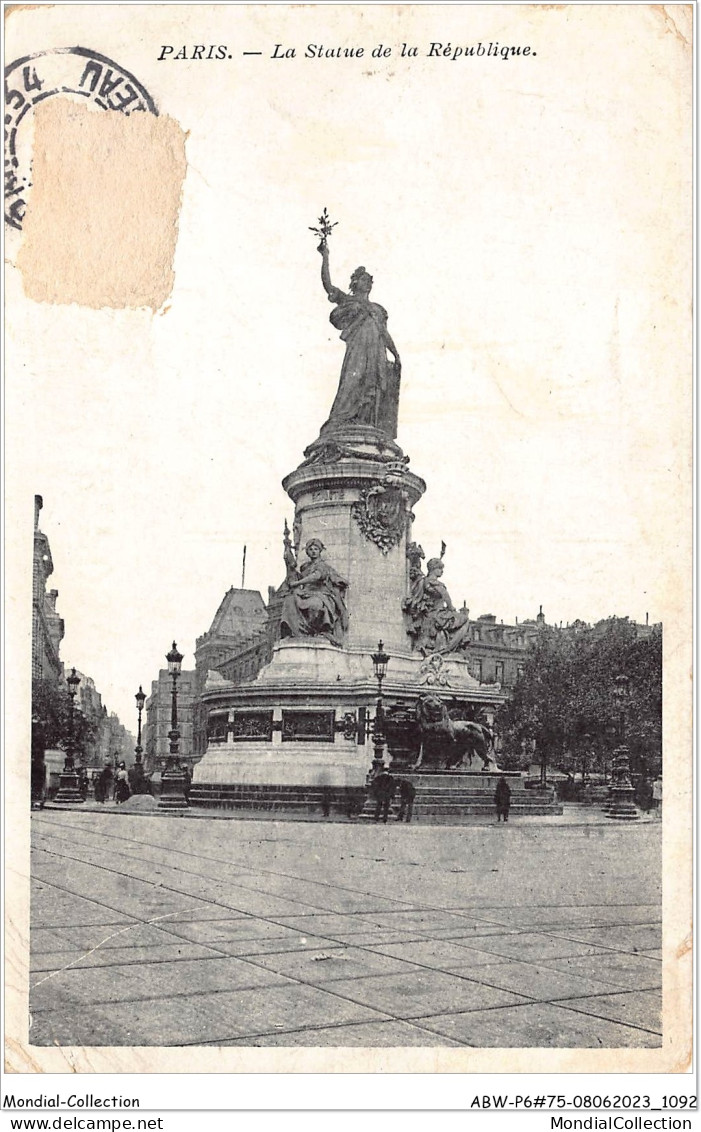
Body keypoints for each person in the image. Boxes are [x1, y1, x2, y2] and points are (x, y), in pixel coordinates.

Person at [317, 241, 401, 438]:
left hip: (376, 353)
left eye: (370, 281)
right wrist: (325, 256)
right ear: (355, 283)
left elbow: (384, 333)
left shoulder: (378, 310)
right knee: (352, 383)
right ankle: (344, 419)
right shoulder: (349, 301)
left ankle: (366, 423)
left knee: (373, 387)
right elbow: (328, 285)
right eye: (364, 280)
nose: (368, 283)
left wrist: (395, 354)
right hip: (358, 351)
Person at [280, 537, 349, 646]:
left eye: (316, 549)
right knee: (289, 600)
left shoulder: (322, 565)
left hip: (322, 594)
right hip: (306, 593)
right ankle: (293, 632)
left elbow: (315, 576)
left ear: (320, 551)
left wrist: (297, 583)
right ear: (307, 552)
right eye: (311, 549)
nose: (313, 551)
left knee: (314, 604)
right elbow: (297, 576)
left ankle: (318, 630)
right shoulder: (305, 566)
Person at [403, 557, 471, 655]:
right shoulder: (432, 582)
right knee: (464, 619)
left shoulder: (424, 581)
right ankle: (448, 648)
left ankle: (451, 647)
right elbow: (445, 595)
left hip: (432, 613)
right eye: (440, 568)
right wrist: (451, 608)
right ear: (434, 569)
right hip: (437, 614)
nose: (442, 571)